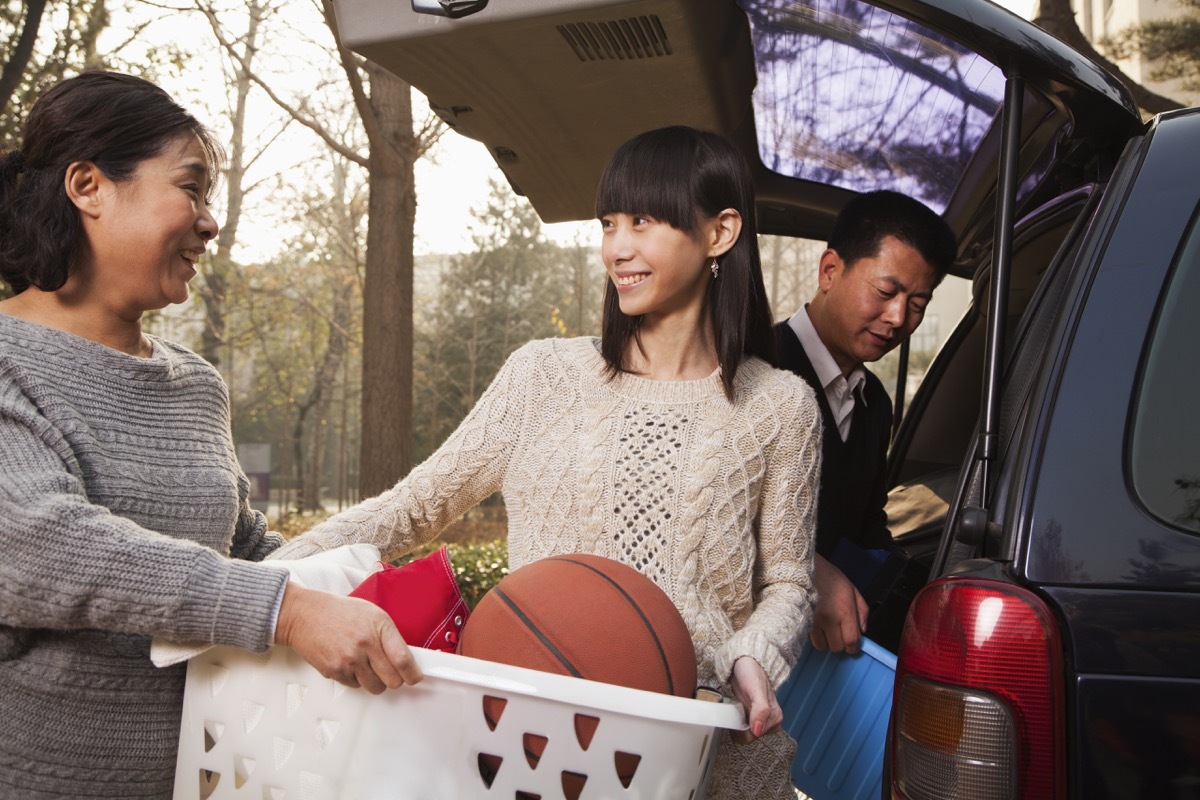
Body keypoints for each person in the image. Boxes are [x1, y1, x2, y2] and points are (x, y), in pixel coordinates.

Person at [272, 125, 822, 799]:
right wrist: (263, 587)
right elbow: (413, 508)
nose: (617, 248)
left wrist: (754, 655)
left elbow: (791, 583)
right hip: (531, 744)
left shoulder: (781, 405)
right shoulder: (543, 376)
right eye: (608, 223)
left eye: (643, 222)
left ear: (720, 233)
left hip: (695, 745)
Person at [0, 71, 421, 799]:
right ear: (88, 185)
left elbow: (238, 545)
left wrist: (366, 586)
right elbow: (43, 544)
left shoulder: (196, 386)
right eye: (190, 188)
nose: (209, 220)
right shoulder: (10, 364)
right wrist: (288, 611)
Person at [773, 190, 957, 654]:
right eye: (885, 292)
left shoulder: (875, 402)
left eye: (917, 304)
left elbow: (867, 528)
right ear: (830, 271)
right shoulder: (754, 368)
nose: (897, 318)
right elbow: (711, 514)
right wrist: (808, 571)